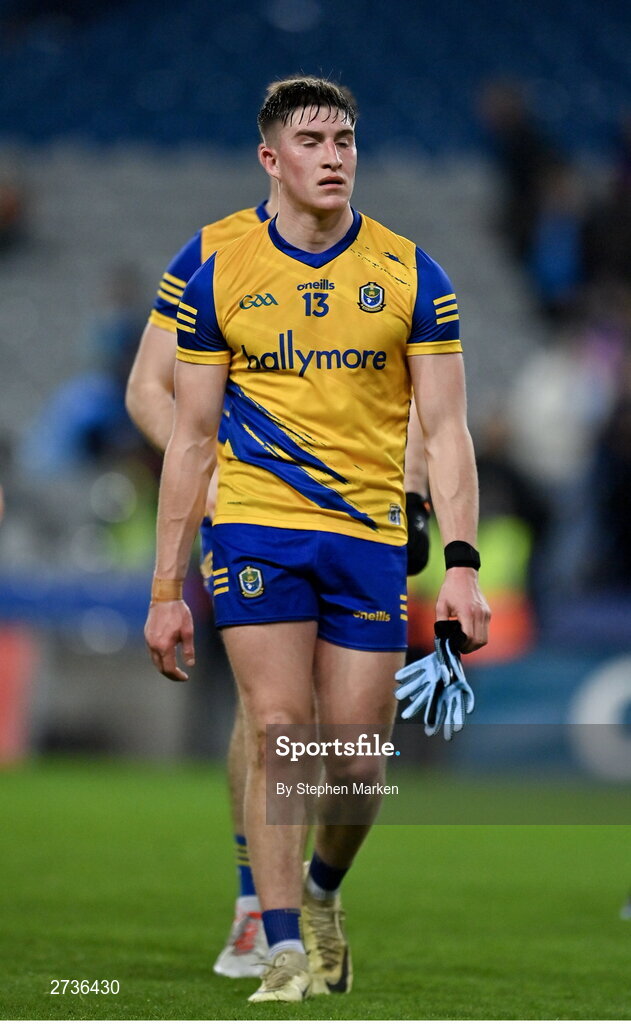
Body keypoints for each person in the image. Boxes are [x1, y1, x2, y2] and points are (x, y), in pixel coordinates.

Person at [145, 76, 490, 1003]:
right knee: (277, 729)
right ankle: (281, 945)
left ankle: (323, 891)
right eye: (312, 141)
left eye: (344, 140)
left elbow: (447, 432)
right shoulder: (220, 274)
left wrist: (461, 565)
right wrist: (166, 588)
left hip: (367, 535)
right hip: (256, 529)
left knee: (355, 762)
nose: (333, 156)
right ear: (270, 158)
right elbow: (187, 435)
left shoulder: (411, 273)